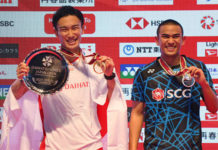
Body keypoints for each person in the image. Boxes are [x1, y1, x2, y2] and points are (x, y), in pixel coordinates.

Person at [0, 6, 128, 150]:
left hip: (92, 145)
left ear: (83, 29)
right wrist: (23, 78)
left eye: (75, 28)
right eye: (64, 29)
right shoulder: (44, 64)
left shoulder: (96, 63)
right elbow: (15, 97)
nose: (71, 34)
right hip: (54, 146)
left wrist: (109, 75)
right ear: (56, 32)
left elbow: (113, 101)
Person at [129, 19, 218, 150]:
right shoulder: (144, 73)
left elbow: (214, 108)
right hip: (155, 147)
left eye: (176, 36)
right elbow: (137, 113)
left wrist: (204, 84)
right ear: (156, 40)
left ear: (183, 40)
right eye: (165, 36)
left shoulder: (198, 68)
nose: (171, 41)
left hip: (190, 147)